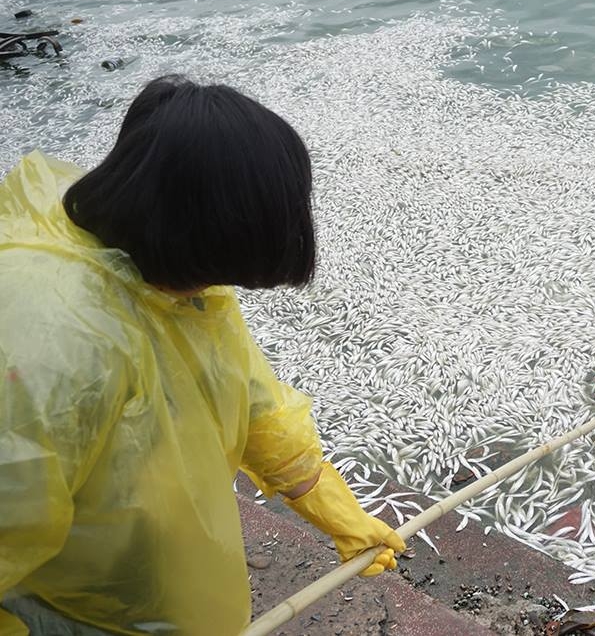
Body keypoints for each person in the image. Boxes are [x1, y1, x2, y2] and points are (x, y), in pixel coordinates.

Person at [0, 75, 405, 635]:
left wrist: (335, 510)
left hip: (157, 580)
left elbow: (248, 393)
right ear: (193, 231)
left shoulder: (170, 267)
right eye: (223, 268)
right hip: (74, 612)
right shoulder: (49, 342)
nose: (221, 287)